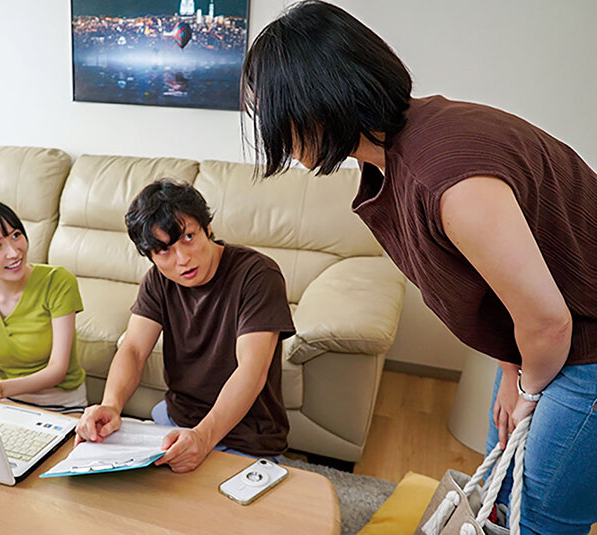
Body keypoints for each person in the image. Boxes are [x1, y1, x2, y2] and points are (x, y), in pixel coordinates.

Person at [242, 1, 597, 533]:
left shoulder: (447, 180)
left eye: (271, 113)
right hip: (547, 346)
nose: (271, 132)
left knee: (538, 518)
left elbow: (548, 322)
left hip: (584, 347)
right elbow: (504, 294)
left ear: (317, 102)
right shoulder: (398, 149)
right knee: (498, 497)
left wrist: (526, 389)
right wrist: (511, 370)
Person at [75, 179, 295, 472]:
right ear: (151, 256)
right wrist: (111, 405)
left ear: (207, 228)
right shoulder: (158, 281)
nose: (183, 259)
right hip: (175, 420)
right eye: (163, 250)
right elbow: (134, 349)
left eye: (189, 237)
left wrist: (203, 438)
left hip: (246, 436)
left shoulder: (258, 275)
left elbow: (251, 370)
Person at [0, 198, 87, 408]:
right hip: (1, 401)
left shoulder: (58, 281)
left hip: (60, 402)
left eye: (16, 235)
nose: (14, 252)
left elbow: (58, 369)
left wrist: (1, 388)